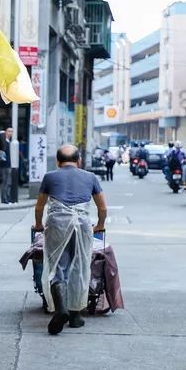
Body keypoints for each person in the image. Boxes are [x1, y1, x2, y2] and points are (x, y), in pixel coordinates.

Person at [33, 144, 109, 336]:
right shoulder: (90, 177)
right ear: (79, 161)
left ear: (58, 162)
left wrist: (38, 225)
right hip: (82, 225)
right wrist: (99, 225)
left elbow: (39, 207)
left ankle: (61, 310)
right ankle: (75, 316)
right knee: (80, 266)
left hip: (57, 223)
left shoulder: (50, 177)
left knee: (58, 265)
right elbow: (102, 208)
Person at [0, 127, 13, 204]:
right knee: (5, 182)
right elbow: (0, 150)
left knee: (8, 182)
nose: (11, 133)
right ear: (6, 132)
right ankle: (4, 199)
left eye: (12, 131)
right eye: (9, 131)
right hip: (4, 165)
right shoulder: (3, 141)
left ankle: (7, 197)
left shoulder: (9, 141)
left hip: (9, 164)